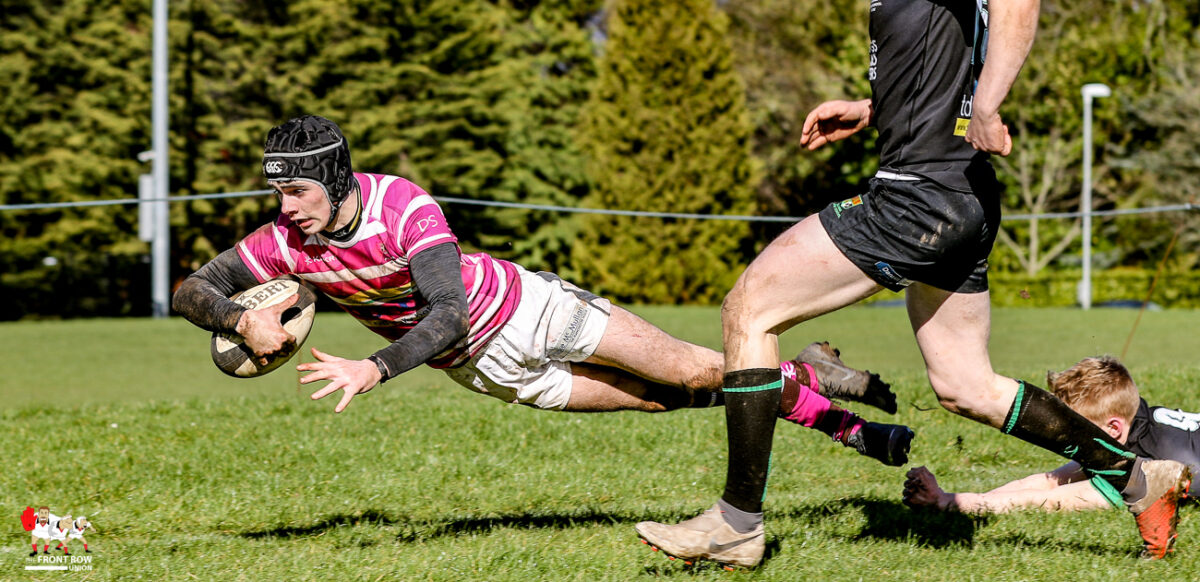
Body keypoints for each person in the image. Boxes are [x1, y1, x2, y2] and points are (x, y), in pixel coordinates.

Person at [632, 0, 1188, 568]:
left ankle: (736, 523)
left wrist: (990, 105)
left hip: (918, 196)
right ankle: (1138, 478)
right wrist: (876, 110)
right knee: (965, 385)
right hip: (957, 192)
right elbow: (941, 59)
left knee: (749, 309)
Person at [171, 115, 914, 469]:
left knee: (695, 369)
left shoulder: (404, 208)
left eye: (296, 189)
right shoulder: (283, 242)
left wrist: (374, 368)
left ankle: (850, 429)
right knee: (666, 399)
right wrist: (241, 318)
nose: (286, 207)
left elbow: (449, 313)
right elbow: (188, 288)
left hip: (530, 311)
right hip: (484, 370)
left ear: (333, 179)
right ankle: (811, 373)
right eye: (278, 192)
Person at [904, 356, 1200, 513]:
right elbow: (1048, 481)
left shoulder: (1142, 464)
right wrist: (965, 496)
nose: (1066, 435)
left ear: (1113, 428)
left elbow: (1046, 500)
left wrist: (944, 502)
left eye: (1075, 429)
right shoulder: (1135, 421)